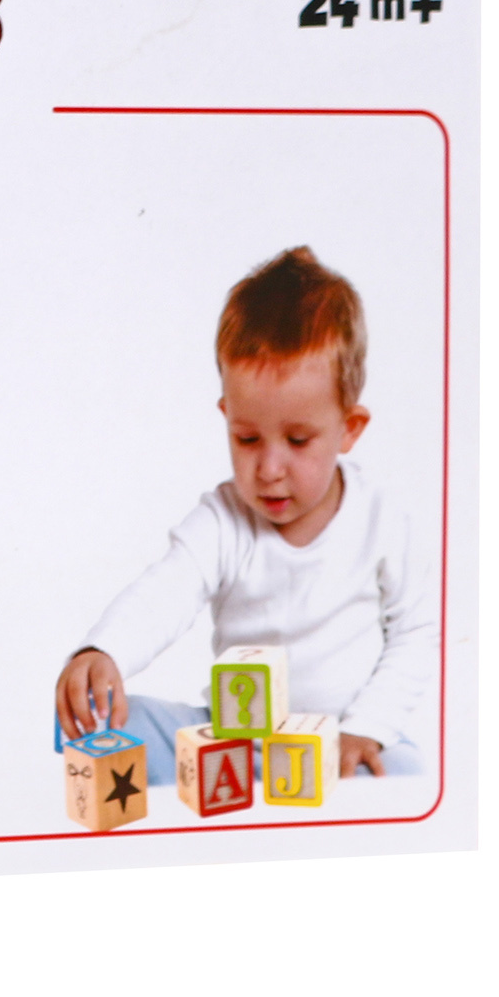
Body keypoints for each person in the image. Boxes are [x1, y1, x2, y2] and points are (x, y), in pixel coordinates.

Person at [53, 247, 432, 784]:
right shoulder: (223, 522)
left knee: (407, 771)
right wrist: (103, 649)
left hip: (338, 747)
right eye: (248, 438)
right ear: (226, 415)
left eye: (298, 441)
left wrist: (366, 730)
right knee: (106, 724)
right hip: (234, 743)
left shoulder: (379, 517)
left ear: (349, 428)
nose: (270, 469)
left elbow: (415, 631)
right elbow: (164, 593)